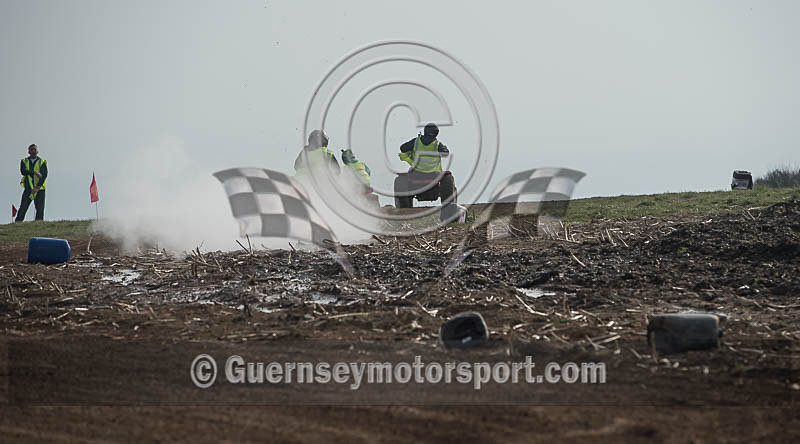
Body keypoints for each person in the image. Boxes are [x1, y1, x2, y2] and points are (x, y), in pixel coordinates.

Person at [15, 144, 47, 222]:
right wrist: (34, 172)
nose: (33, 151)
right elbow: (23, 171)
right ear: (28, 151)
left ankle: (38, 225)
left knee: (40, 209)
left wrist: (37, 187)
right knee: (23, 207)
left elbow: (44, 174)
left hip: (39, 189)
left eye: (34, 149)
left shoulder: (42, 162)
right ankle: (18, 223)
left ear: (37, 151)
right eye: (31, 149)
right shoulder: (24, 161)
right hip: (28, 188)